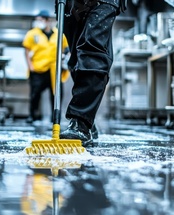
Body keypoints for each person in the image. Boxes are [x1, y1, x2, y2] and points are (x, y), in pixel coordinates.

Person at [59, 0, 127, 145]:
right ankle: (87, 116)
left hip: (103, 1)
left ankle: (81, 121)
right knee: (76, 59)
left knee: (92, 51)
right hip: (70, 5)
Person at [22, 10, 70, 124]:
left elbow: (66, 49)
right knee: (35, 94)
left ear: (48, 21)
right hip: (38, 69)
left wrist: (65, 61)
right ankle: (32, 116)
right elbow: (26, 50)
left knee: (56, 95)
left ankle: (55, 118)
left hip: (55, 70)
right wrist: (30, 66)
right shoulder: (32, 34)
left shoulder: (59, 34)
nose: (38, 22)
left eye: (40, 20)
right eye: (37, 20)